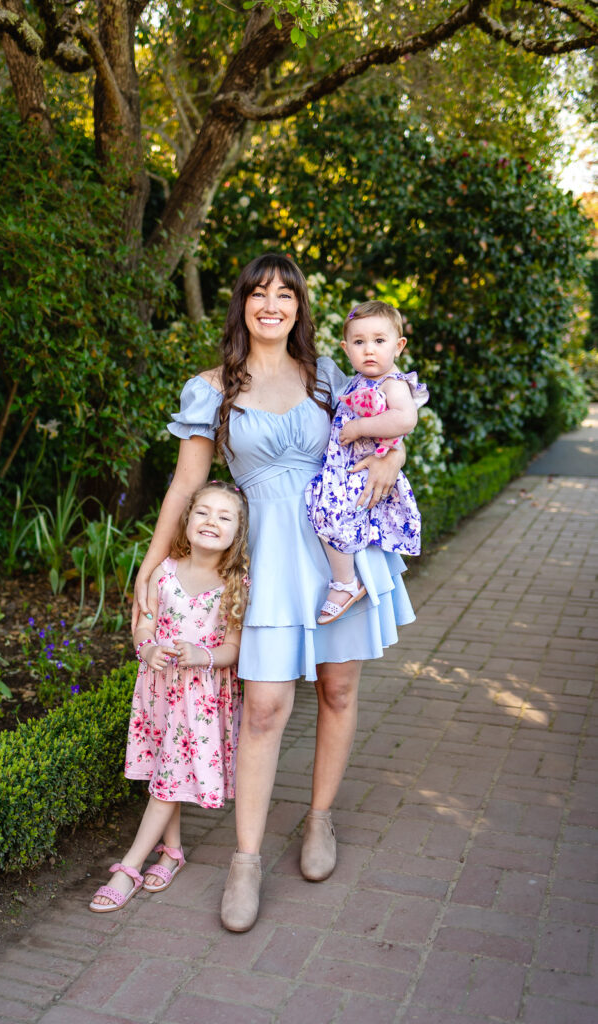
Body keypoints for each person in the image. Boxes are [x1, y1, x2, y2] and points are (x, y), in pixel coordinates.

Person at [132, 253, 415, 933]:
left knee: (338, 691)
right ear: (241, 304)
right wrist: (149, 566)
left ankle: (319, 819)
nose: (271, 304)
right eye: (258, 292)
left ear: (298, 307)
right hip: (267, 560)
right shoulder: (210, 389)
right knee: (261, 707)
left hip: (335, 548)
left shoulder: (329, 376)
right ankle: (246, 859)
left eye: (284, 293)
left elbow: (380, 428)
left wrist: (395, 454)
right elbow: (183, 486)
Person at [89, 480, 250, 913]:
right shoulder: (164, 571)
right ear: (187, 518)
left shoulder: (235, 583)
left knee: (167, 780)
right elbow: (144, 624)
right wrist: (148, 647)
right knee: (165, 770)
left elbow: (234, 648)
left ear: (238, 531)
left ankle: (129, 867)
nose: (211, 521)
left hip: (198, 700)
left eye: (224, 516)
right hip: (158, 692)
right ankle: (172, 851)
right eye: (203, 512)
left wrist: (205, 655)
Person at [305, 299, 429, 624]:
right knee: (323, 509)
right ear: (346, 349)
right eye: (359, 342)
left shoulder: (393, 383)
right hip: (345, 468)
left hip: (364, 468)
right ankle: (346, 578)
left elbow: (405, 419)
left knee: (331, 513)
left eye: (379, 340)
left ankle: (346, 583)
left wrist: (359, 427)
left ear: (398, 346)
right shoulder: (356, 382)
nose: (369, 350)